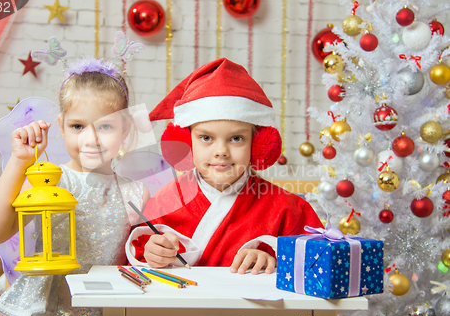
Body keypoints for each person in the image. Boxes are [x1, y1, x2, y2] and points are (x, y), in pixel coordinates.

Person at [0, 37, 149, 316]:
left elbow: (142, 261)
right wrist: (20, 162)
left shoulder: (134, 193)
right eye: (78, 126)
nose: (91, 138)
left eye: (106, 126)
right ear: (61, 127)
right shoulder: (49, 181)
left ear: (126, 129)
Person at [125, 58, 324, 275]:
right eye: (206, 138)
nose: (221, 151)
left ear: (258, 144)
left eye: (236, 138)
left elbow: (317, 262)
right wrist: (152, 251)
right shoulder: (167, 200)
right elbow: (141, 248)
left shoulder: (287, 209)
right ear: (186, 142)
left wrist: (275, 259)